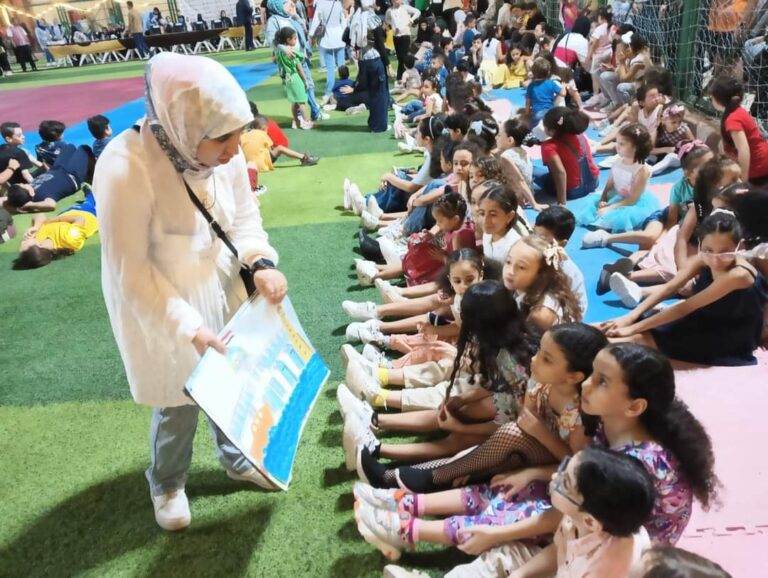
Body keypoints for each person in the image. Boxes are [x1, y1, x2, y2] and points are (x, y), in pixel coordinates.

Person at [92, 53, 288, 531]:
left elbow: (244, 218)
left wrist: (260, 261)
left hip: (221, 282)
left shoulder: (225, 149)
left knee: (232, 382)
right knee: (179, 398)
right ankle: (167, 482)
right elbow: (131, 271)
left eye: (238, 137)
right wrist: (189, 326)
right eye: (223, 140)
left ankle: (236, 458)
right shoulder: (125, 166)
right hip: (165, 300)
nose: (234, 151)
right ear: (184, 125)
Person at [603, 211, 768, 366]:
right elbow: (670, 287)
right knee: (621, 324)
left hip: (731, 332)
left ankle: (592, 349)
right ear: (701, 244)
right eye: (708, 250)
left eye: (725, 253)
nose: (715, 260)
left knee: (639, 338)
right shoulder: (703, 258)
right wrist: (629, 318)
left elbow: (686, 307)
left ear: (738, 246)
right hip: (706, 316)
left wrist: (631, 328)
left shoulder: (739, 275)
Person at [571, 124, 659, 233]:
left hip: (631, 202)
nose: (617, 146)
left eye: (622, 144)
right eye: (616, 142)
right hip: (616, 195)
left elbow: (632, 199)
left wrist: (610, 208)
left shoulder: (641, 170)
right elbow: (610, 184)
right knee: (590, 208)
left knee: (607, 221)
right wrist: (603, 198)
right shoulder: (618, 161)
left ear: (636, 147)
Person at [503, 235, 583, 332]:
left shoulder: (541, 315)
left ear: (541, 274)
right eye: (508, 262)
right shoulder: (520, 287)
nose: (510, 271)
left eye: (521, 267)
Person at [266, 0, 325, 123]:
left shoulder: (290, 17)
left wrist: (296, 16)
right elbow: (272, 40)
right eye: (287, 3)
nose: (292, 5)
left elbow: (303, 28)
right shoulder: (273, 20)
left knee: (308, 85)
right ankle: (303, 115)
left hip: (300, 57)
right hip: (288, 62)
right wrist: (284, 49)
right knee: (297, 88)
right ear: (279, 5)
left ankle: (312, 112)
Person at [13, 189, 98, 270]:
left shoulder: (37, 238)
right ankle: (90, 194)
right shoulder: (70, 240)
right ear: (39, 245)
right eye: (25, 242)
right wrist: (54, 220)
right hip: (89, 213)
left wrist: (36, 227)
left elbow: (40, 215)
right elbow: (79, 219)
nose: (24, 240)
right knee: (94, 198)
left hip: (66, 213)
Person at [709, 75, 768, 186]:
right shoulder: (737, 111)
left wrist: (743, 178)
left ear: (717, 98)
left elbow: (743, 149)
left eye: (711, 98)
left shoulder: (733, 120)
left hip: (758, 167)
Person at [2, 144, 94, 214]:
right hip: (72, 174)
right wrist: (29, 205)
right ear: (31, 193)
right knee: (84, 148)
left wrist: (14, 204)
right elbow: (51, 205)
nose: (24, 184)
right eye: (24, 185)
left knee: (69, 147)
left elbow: (3, 201)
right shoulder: (41, 196)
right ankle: (93, 175)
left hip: (56, 168)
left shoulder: (18, 195)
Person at [534, 107, 599, 205]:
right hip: (593, 182)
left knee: (533, 170)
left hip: (573, 191)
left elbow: (560, 172)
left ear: (551, 131)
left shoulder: (548, 146)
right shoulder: (580, 136)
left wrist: (561, 202)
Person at [348, 0, 394, 133]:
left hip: (363, 61)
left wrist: (358, 49)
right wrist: (388, 64)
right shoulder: (372, 18)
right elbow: (380, 44)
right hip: (375, 60)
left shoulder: (356, 17)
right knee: (380, 94)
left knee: (372, 93)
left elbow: (347, 37)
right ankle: (379, 126)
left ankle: (373, 123)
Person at [534, 206, 588, 315]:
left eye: (542, 239)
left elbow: (578, 309)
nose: (535, 242)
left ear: (561, 244)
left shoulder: (569, 273)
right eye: (534, 234)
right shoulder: (529, 254)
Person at [241, 114, 319, 170]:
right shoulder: (263, 135)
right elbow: (270, 151)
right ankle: (303, 158)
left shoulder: (246, 133)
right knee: (280, 148)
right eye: (265, 129)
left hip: (247, 165)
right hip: (262, 164)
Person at [310, 0, 347, 105]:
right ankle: (344, 88)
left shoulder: (321, 3)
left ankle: (328, 92)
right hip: (340, 36)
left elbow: (316, 20)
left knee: (330, 68)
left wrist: (311, 34)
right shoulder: (338, 3)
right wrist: (346, 35)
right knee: (342, 66)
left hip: (327, 38)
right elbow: (343, 21)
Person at [275, 26, 313, 130]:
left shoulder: (279, 52)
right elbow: (299, 68)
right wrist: (305, 80)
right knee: (302, 101)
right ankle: (306, 122)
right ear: (288, 39)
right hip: (295, 77)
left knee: (295, 101)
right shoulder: (292, 51)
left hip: (287, 79)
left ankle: (296, 121)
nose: (296, 41)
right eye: (295, 38)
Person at [385, 0, 421, 81]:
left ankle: (402, 76)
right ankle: (402, 76)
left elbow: (417, 12)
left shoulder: (405, 7)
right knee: (399, 58)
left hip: (405, 35)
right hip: (396, 36)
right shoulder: (389, 11)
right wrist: (393, 26)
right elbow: (387, 20)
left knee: (403, 57)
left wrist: (411, 20)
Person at [525, 57, 565, 125]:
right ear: (548, 72)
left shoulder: (531, 86)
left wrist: (527, 115)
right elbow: (563, 93)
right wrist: (563, 86)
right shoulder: (551, 83)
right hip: (550, 113)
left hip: (537, 113)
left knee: (534, 128)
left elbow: (528, 103)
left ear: (533, 72)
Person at [0, 122, 34, 187]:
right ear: (8, 139)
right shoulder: (19, 152)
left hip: (11, 185)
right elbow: (25, 174)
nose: (23, 137)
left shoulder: (1, 148)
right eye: (19, 135)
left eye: (22, 134)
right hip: (23, 185)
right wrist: (35, 187)